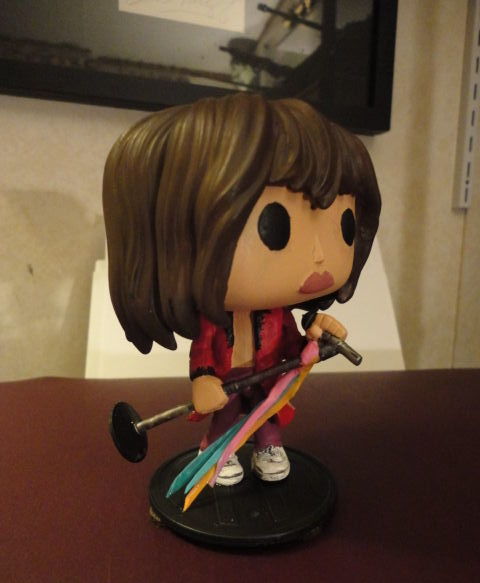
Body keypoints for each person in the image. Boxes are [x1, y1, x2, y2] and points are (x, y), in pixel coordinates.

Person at [103, 92, 381, 486]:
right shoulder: (215, 321)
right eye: (275, 225)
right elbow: (203, 353)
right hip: (228, 380)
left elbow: (293, 343)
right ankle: (215, 450)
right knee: (227, 416)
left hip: (267, 377)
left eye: (344, 226)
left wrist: (315, 334)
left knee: (266, 416)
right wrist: (203, 380)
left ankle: (268, 446)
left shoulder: (278, 315)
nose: (320, 256)